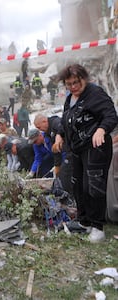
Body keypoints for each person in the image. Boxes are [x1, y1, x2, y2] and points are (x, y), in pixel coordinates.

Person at [54, 64, 118, 243]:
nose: (73, 86)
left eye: (76, 82)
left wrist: (101, 130)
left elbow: (111, 115)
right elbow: (66, 118)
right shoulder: (70, 98)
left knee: (93, 186)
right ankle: (85, 222)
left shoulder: (95, 93)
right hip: (77, 149)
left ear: (84, 79)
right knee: (78, 186)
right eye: (69, 84)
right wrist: (60, 134)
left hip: (95, 148)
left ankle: (98, 228)